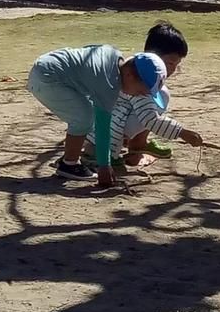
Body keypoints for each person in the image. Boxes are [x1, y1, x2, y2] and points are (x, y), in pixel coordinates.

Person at [27, 25, 202, 188]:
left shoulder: (115, 58)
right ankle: (69, 164)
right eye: (141, 90)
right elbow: (103, 127)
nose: (141, 94)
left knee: (85, 115)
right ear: (129, 75)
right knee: (84, 117)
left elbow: (90, 50)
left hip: (48, 69)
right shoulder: (108, 85)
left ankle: (71, 159)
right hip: (48, 78)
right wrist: (105, 166)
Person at [82, 22, 190, 171]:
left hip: (108, 120)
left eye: (176, 65)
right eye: (170, 63)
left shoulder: (134, 66)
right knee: (158, 98)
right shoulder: (138, 80)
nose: (171, 70)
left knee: (158, 96)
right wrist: (182, 133)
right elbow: (150, 119)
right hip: (100, 125)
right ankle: (104, 152)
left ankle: (136, 143)